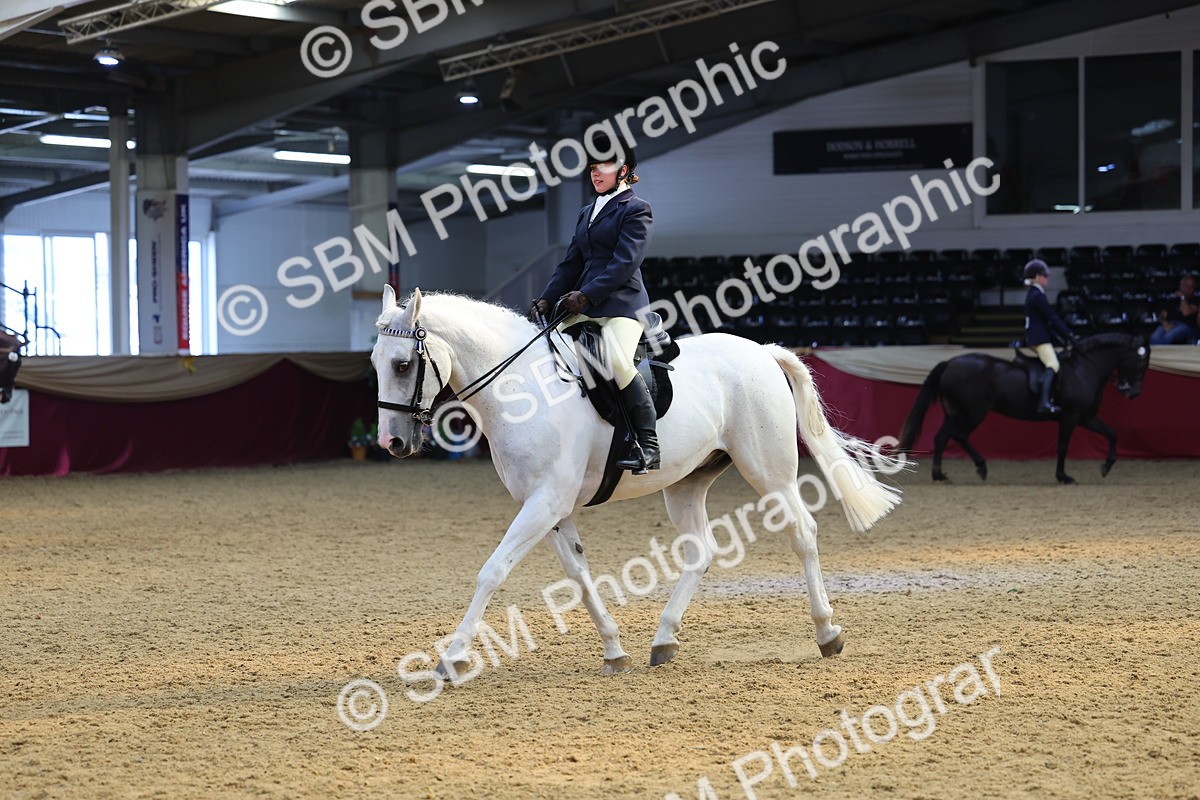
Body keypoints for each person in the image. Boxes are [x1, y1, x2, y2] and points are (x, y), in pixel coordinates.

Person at [530, 137, 658, 473]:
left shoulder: (636, 209)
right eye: (592, 168)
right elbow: (571, 263)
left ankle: (648, 445)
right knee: (545, 350)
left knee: (616, 360)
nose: (595, 173)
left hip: (622, 305)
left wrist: (586, 295)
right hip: (583, 305)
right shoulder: (587, 212)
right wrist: (547, 297)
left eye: (603, 167)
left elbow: (624, 263)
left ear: (623, 171)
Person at [1022, 258, 1076, 414]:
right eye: (1045, 275)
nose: (1047, 278)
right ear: (1037, 277)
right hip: (1038, 338)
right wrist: (1069, 334)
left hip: (1038, 335)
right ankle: (1044, 402)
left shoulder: (1035, 293)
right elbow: (1052, 317)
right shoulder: (1037, 295)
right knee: (1053, 364)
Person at [1150, 274, 1197, 345]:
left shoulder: (1195, 300)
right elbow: (1162, 315)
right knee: (1154, 338)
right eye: (1186, 285)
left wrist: (1182, 297)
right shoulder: (1172, 300)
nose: (1188, 288)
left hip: (1185, 326)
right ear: (1181, 286)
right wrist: (1165, 323)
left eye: (1191, 286)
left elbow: (1186, 312)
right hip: (1169, 323)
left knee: (1168, 336)